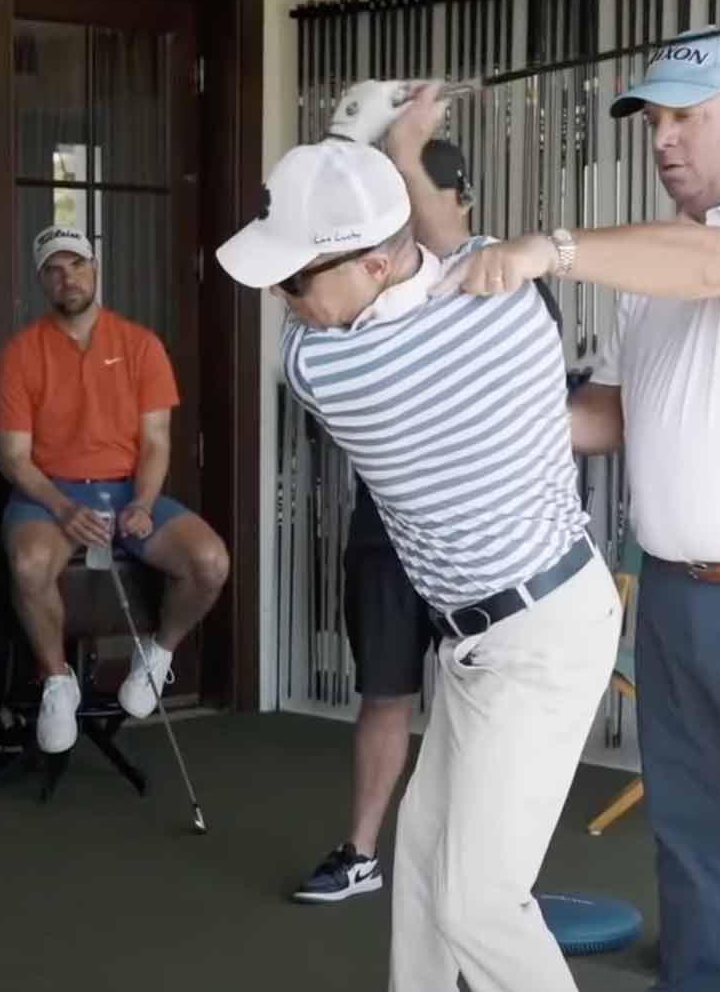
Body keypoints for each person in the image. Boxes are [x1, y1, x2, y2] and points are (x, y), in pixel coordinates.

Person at [432, 30, 720, 992]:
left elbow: (718, 268)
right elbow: (610, 415)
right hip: (676, 597)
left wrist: (548, 249)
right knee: (690, 847)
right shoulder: (652, 279)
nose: (663, 140)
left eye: (685, 116)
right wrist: (480, 417)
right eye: (653, 122)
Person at [216, 136, 621, 992]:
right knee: (427, 871)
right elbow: (457, 253)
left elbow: (437, 253)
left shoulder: (325, 361)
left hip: (545, 635)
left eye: (295, 281)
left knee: (478, 903)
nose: (284, 304)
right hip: (480, 639)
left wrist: (391, 155)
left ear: (370, 264)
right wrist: (406, 158)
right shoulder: (499, 303)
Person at [290, 137, 560, 905]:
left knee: (477, 711)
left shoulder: (501, 287)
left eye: (418, 194)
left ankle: (491, 870)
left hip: (495, 562)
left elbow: (447, 254)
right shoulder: (328, 351)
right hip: (390, 532)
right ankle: (361, 849)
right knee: (386, 689)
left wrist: (398, 156)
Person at [0, 226, 230, 754]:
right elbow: (13, 457)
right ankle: (57, 680)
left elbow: (155, 441)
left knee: (210, 562)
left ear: (95, 270)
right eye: (54, 269)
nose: (67, 278)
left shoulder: (140, 345)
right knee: (30, 565)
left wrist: (143, 503)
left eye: (76, 265)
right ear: (41, 281)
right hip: (46, 495)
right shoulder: (20, 353)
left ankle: (158, 654)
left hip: (127, 491)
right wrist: (61, 505)